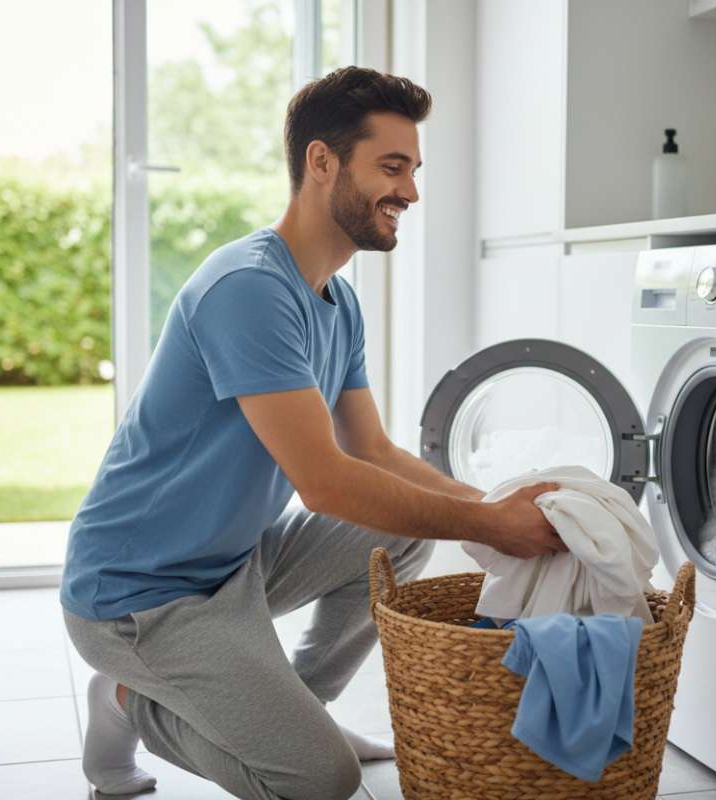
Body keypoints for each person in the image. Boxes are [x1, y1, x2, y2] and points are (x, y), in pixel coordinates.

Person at [59, 66, 566, 800]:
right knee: (320, 781)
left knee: (404, 532)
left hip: (232, 561)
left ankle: (304, 706)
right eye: (392, 167)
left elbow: (374, 453)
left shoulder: (339, 302)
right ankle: (126, 700)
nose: (411, 192)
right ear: (321, 162)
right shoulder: (249, 289)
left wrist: (497, 505)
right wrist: (488, 523)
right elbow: (325, 483)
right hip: (138, 593)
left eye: (413, 170)